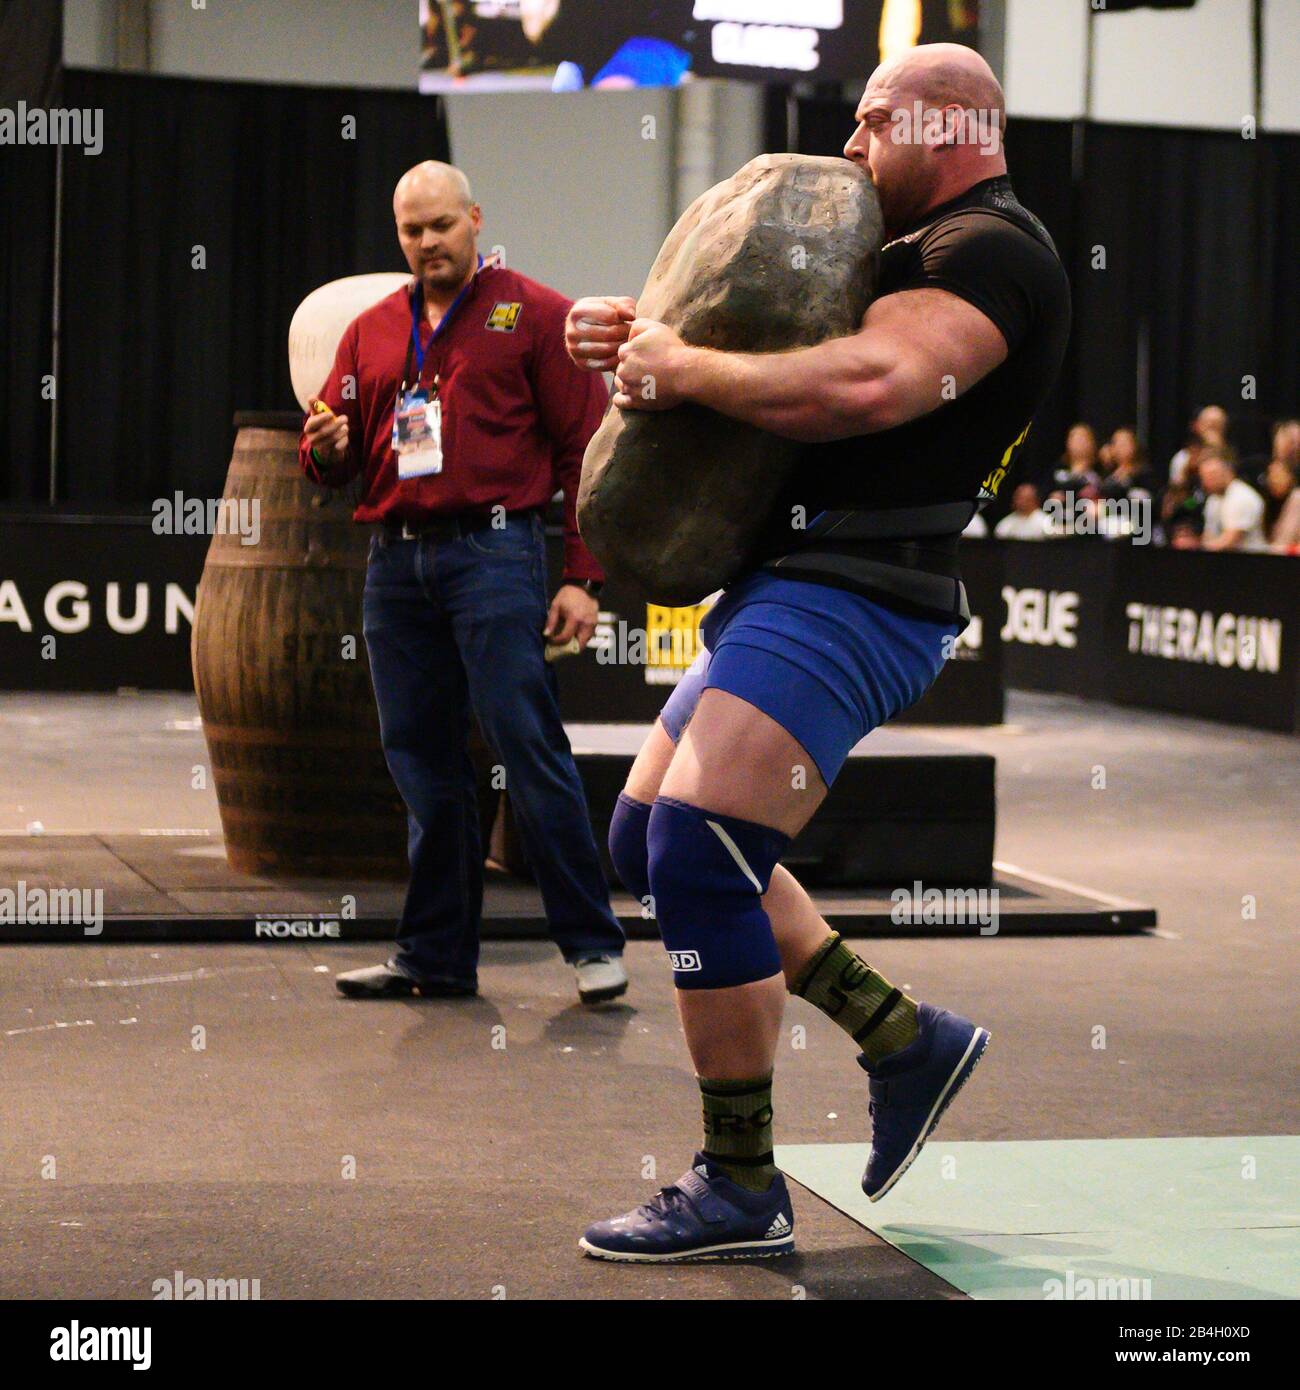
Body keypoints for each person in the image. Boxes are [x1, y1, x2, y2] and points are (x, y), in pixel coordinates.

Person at [565, 43, 1070, 1261]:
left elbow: (872, 383)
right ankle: (903, 1036)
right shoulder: (891, 248)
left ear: (948, 124)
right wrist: (648, 338)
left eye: (869, 123)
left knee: (699, 846)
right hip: (786, 578)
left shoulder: (990, 250)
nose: (849, 147)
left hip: (861, 587)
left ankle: (739, 1184)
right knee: (646, 836)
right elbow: (770, 355)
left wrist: (685, 367)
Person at [300, 161, 627, 1006]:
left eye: (441, 225)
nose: (426, 242)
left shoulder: (535, 314)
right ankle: (435, 956)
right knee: (419, 759)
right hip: (395, 562)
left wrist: (582, 577)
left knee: (527, 745)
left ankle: (594, 945)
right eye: (412, 230)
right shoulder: (372, 329)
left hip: (494, 554)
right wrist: (326, 452)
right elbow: (328, 450)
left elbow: (584, 454)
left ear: (475, 219)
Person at [1199, 453, 1268, 551]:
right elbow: (1209, 535)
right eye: (1204, 476)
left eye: (1212, 474)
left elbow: (1231, 541)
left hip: (1250, 560)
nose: (1207, 480)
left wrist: (1200, 550)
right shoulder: (1213, 499)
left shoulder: (1242, 496)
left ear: (1228, 471)